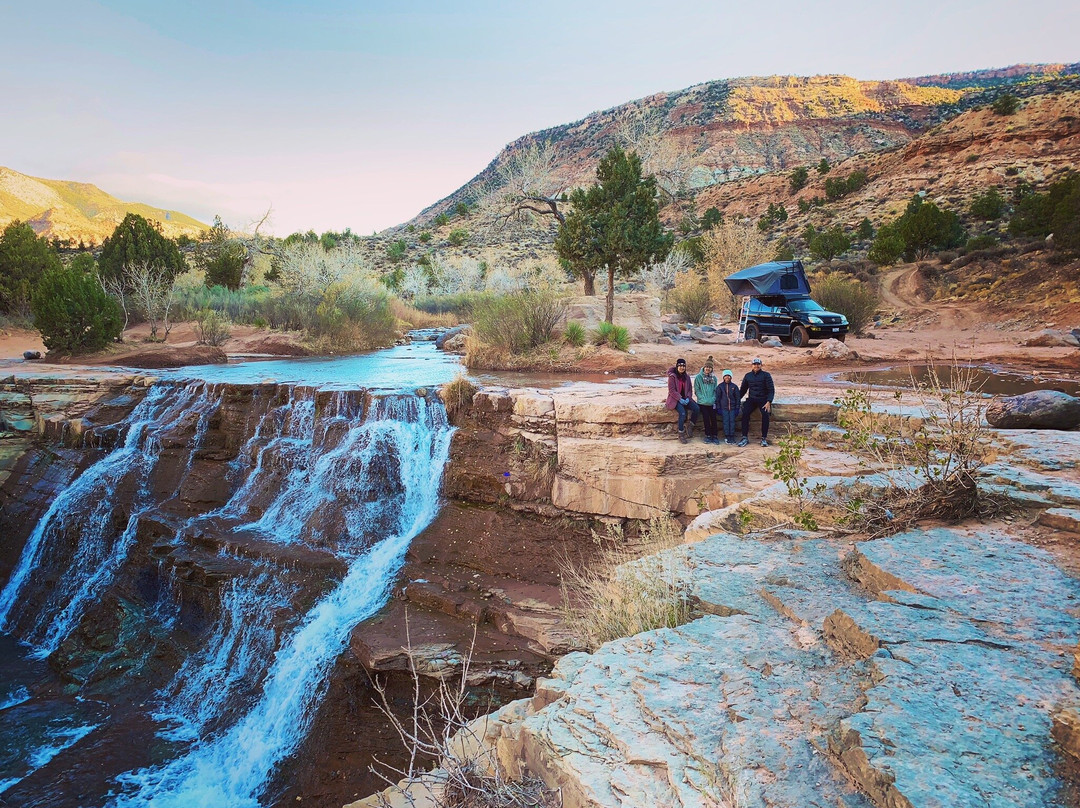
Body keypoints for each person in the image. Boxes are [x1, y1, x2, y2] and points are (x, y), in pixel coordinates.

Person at [737, 357, 774, 447]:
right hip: (752, 399)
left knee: (765, 414)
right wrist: (736, 400)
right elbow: (743, 390)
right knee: (745, 413)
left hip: (763, 400)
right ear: (752, 365)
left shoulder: (766, 375)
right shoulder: (748, 376)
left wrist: (769, 401)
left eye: (758, 364)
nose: (756, 366)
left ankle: (764, 438)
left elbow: (771, 390)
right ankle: (744, 437)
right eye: (755, 364)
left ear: (761, 365)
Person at [665, 357, 700, 443]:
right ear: (677, 366)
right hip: (675, 399)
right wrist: (680, 399)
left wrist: (688, 398)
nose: (682, 367)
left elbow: (689, 390)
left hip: (686, 398)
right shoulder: (672, 377)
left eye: (683, 366)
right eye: (680, 365)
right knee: (683, 413)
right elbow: (672, 390)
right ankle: (681, 434)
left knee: (697, 409)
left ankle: (690, 426)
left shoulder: (687, 377)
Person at [693, 356, 719, 444]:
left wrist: (713, 399)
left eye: (710, 367)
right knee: (706, 418)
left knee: (714, 418)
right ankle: (708, 435)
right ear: (704, 367)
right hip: (702, 402)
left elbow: (715, 390)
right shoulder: (698, 378)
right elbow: (697, 390)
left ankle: (715, 436)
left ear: (712, 369)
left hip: (711, 402)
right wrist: (702, 398)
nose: (708, 369)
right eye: (707, 367)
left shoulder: (714, 379)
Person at [716, 369, 742, 445]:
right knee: (726, 422)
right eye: (725, 376)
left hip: (733, 408)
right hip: (724, 409)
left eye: (728, 376)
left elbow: (737, 398)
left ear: (731, 377)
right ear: (723, 377)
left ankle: (732, 436)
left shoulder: (734, 386)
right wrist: (718, 408)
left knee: (732, 422)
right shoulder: (720, 387)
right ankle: (727, 436)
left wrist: (737, 408)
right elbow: (717, 398)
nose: (727, 377)